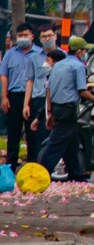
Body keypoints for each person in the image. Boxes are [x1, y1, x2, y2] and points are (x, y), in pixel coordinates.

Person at [38, 45, 94, 181]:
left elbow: (49, 90)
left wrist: (50, 112)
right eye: (84, 51)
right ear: (80, 52)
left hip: (57, 108)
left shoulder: (57, 66)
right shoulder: (78, 66)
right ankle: (39, 174)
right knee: (55, 144)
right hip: (68, 109)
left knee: (72, 145)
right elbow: (82, 91)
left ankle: (77, 175)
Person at [1, 25, 43, 169]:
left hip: (33, 97)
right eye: (20, 36)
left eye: (25, 35)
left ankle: (32, 166)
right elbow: (4, 76)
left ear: (32, 36)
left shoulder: (39, 54)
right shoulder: (10, 54)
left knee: (32, 134)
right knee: (13, 134)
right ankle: (10, 168)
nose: (22, 38)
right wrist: (4, 97)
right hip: (14, 97)